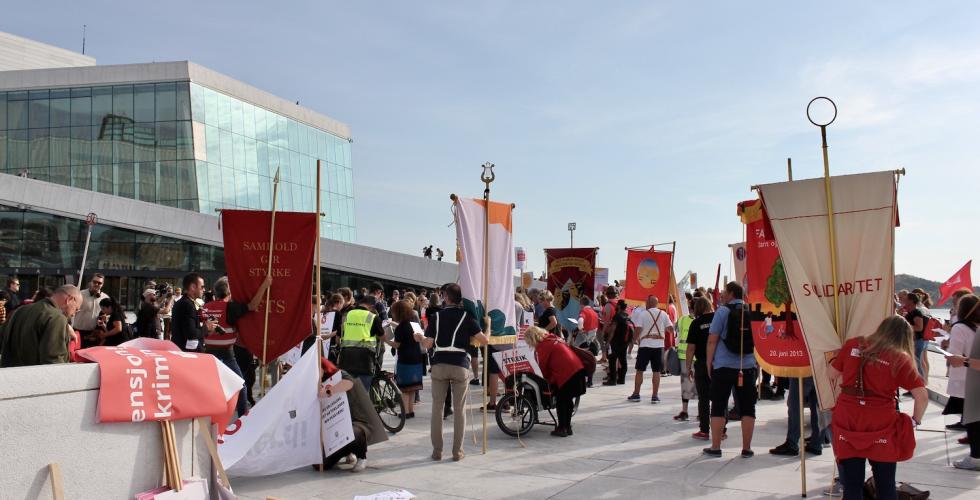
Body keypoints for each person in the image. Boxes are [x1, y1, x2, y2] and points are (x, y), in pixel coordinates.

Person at [828, 315, 928, 497]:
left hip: (848, 417)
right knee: (885, 484)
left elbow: (831, 374)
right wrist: (915, 421)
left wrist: (837, 359)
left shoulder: (852, 344)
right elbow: (921, 396)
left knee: (851, 486)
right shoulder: (899, 358)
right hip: (880, 422)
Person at [415, 283, 487, 462]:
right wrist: (489, 325)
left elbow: (428, 344)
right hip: (460, 364)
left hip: (439, 364)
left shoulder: (436, 316)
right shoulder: (467, 316)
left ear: (446, 298)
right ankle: (457, 452)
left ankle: (437, 451)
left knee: (437, 409)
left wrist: (420, 337)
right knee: (460, 410)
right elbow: (484, 340)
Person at [201, 275, 272, 417]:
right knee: (241, 386)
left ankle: (208, 417)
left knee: (211, 387)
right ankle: (242, 419)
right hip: (227, 354)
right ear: (229, 291)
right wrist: (265, 285)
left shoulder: (205, 307)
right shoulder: (230, 307)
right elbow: (253, 305)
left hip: (208, 353)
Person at [703, 282, 757, 458]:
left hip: (723, 366)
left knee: (718, 405)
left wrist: (709, 362)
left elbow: (712, 339)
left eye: (725, 292)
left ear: (732, 293)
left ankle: (716, 447)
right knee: (748, 408)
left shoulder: (722, 311)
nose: (722, 294)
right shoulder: (751, 311)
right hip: (747, 366)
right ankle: (747, 448)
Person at [316, 358, 388, 472]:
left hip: (357, 421)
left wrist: (329, 391)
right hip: (332, 426)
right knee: (319, 464)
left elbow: (349, 382)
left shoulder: (338, 374)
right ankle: (346, 451)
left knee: (354, 432)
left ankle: (361, 456)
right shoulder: (313, 383)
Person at [524, 325, 586, 437]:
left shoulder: (543, 346)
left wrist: (542, 380)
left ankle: (562, 428)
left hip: (567, 374)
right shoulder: (553, 338)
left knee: (561, 402)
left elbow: (542, 368)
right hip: (577, 369)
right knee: (567, 401)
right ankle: (567, 427)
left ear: (532, 338)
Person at [0, 285, 82, 367]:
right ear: (70, 299)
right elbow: (54, 362)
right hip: (34, 374)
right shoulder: (57, 317)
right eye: (76, 309)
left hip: (9, 372)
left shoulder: (19, 310)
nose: (73, 314)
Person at [946, 294, 980, 470]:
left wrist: (960, 359)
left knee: (972, 420)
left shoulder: (960, 328)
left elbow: (955, 355)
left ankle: (975, 457)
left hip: (968, 378)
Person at [627, 295, 673, 403]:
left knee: (640, 370)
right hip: (659, 346)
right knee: (656, 371)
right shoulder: (663, 314)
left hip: (645, 345)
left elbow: (638, 329)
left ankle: (636, 394)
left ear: (648, 303)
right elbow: (671, 329)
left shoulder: (643, 314)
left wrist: (633, 341)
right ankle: (654, 396)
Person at [339, 295, 385, 392]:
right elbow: (383, 337)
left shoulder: (348, 314)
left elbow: (339, 335)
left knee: (348, 391)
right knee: (363, 392)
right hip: (365, 358)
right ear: (371, 306)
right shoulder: (373, 317)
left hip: (347, 356)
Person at [769, 377, 825, 457]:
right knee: (817, 402)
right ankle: (817, 442)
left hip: (802, 372)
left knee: (795, 402)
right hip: (819, 372)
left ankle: (792, 443)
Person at [945, 294, 977, 431]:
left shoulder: (959, 328)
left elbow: (954, 354)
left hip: (966, 371)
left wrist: (946, 347)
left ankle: (969, 431)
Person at [685, 296, 714, 440]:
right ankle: (721, 430)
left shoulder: (696, 323)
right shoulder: (719, 319)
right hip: (718, 362)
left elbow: (691, 348)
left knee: (703, 398)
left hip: (702, 363)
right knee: (720, 397)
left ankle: (704, 430)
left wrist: (688, 367)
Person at [390, 299, 423, 419]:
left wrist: (385, 340)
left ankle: (405, 412)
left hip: (405, 359)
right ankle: (411, 410)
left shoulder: (400, 328)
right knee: (412, 387)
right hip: (417, 358)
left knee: (404, 388)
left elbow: (397, 345)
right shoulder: (414, 324)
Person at [171, 273, 216, 353]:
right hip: (188, 353)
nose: (204, 290)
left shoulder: (182, 302)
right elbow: (191, 334)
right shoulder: (187, 304)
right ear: (193, 287)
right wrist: (206, 327)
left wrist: (207, 331)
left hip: (182, 350)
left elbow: (186, 330)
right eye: (202, 287)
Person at [674, 298, 695, 421]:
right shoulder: (702, 320)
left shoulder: (682, 319)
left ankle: (685, 411)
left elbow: (677, 333)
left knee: (685, 385)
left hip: (684, 357)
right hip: (698, 357)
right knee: (700, 386)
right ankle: (701, 413)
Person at [73, 274, 109, 348]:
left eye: (99, 283)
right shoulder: (80, 294)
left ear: (102, 284)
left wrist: (106, 317)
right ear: (91, 282)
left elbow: (109, 314)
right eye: (94, 282)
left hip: (95, 333)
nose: (96, 284)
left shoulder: (105, 298)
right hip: (79, 331)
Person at [603, 300, 633, 385]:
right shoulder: (627, 316)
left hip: (616, 342)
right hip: (625, 342)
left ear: (619, 306)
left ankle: (612, 380)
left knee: (612, 360)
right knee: (623, 360)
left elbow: (612, 330)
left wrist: (608, 342)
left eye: (617, 305)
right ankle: (621, 379)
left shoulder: (617, 316)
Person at [902, 292, 930, 380]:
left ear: (911, 301)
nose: (904, 300)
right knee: (915, 362)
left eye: (906, 299)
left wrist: (905, 325)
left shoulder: (916, 313)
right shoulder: (910, 312)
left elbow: (919, 327)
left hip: (917, 341)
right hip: (913, 341)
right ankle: (918, 382)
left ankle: (921, 382)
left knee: (916, 362)